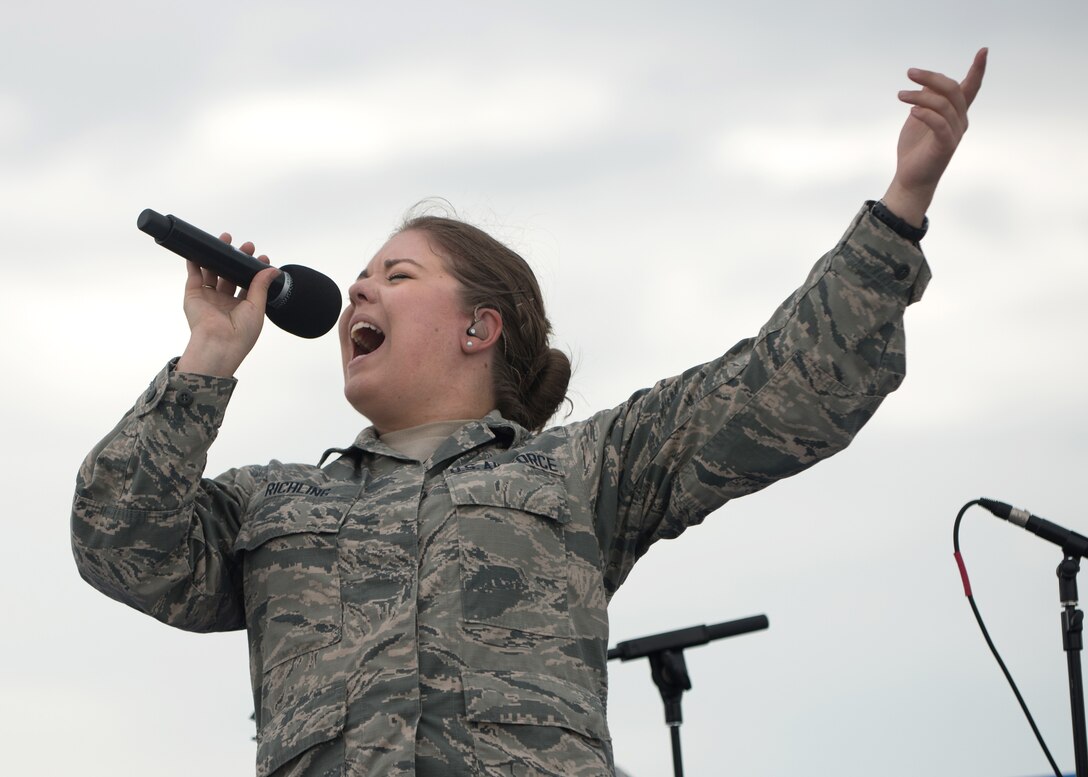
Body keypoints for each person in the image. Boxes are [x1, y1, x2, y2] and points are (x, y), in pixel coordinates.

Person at [71, 50, 988, 777]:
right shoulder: (270, 507)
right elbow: (119, 542)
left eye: (396, 275)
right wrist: (208, 360)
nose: (357, 289)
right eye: (359, 279)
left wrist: (902, 204)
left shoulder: (583, 472)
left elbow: (789, 387)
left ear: (480, 326)